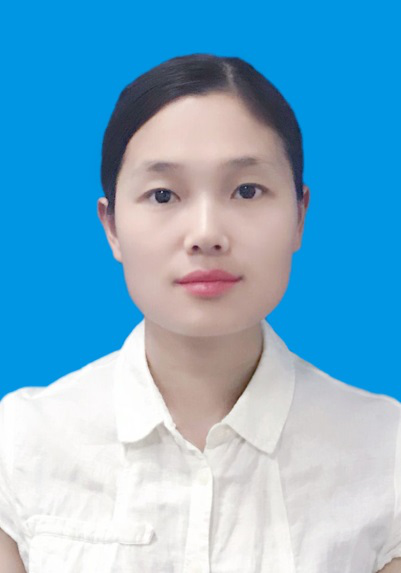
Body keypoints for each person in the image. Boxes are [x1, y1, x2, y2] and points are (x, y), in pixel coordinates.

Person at [0, 53, 400, 573]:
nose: (207, 233)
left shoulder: (385, 450)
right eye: (163, 194)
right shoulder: (22, 443)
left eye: (247, 190)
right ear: (112, 226)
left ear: (300, 215)